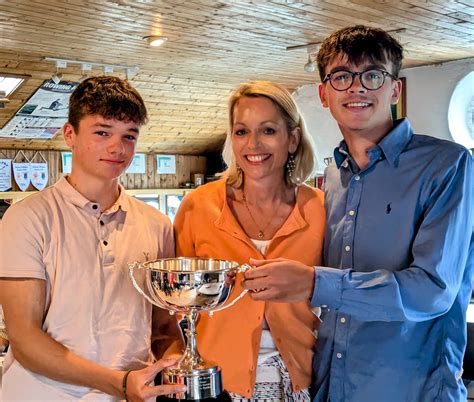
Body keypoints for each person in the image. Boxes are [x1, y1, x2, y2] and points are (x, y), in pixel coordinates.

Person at [242, 25, 474, 402]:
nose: (357, 88)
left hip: (409, 389)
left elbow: (432, 291)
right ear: (324, 94)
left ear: (394, 89)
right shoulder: (333, 176)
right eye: (342, 77)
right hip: (333, 384)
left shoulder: (446, 165)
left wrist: (314, 283)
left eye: (373, 75)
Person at [0, 76, 186, 401]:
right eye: (102, 132)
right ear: (69, 134)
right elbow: (25, 339)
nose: (118, 147)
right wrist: (118, 382)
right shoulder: (27, 217)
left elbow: (163, 328)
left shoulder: (157, 224)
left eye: (129, 136)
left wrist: (177, 367)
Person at [173, 81, 326, 401]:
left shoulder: (321, 209)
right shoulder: (198, 206)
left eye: (268, 130)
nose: (253, 144)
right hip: (217, 384)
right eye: (241, 132)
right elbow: (173, 305)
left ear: (293, 139)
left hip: (299, 382)